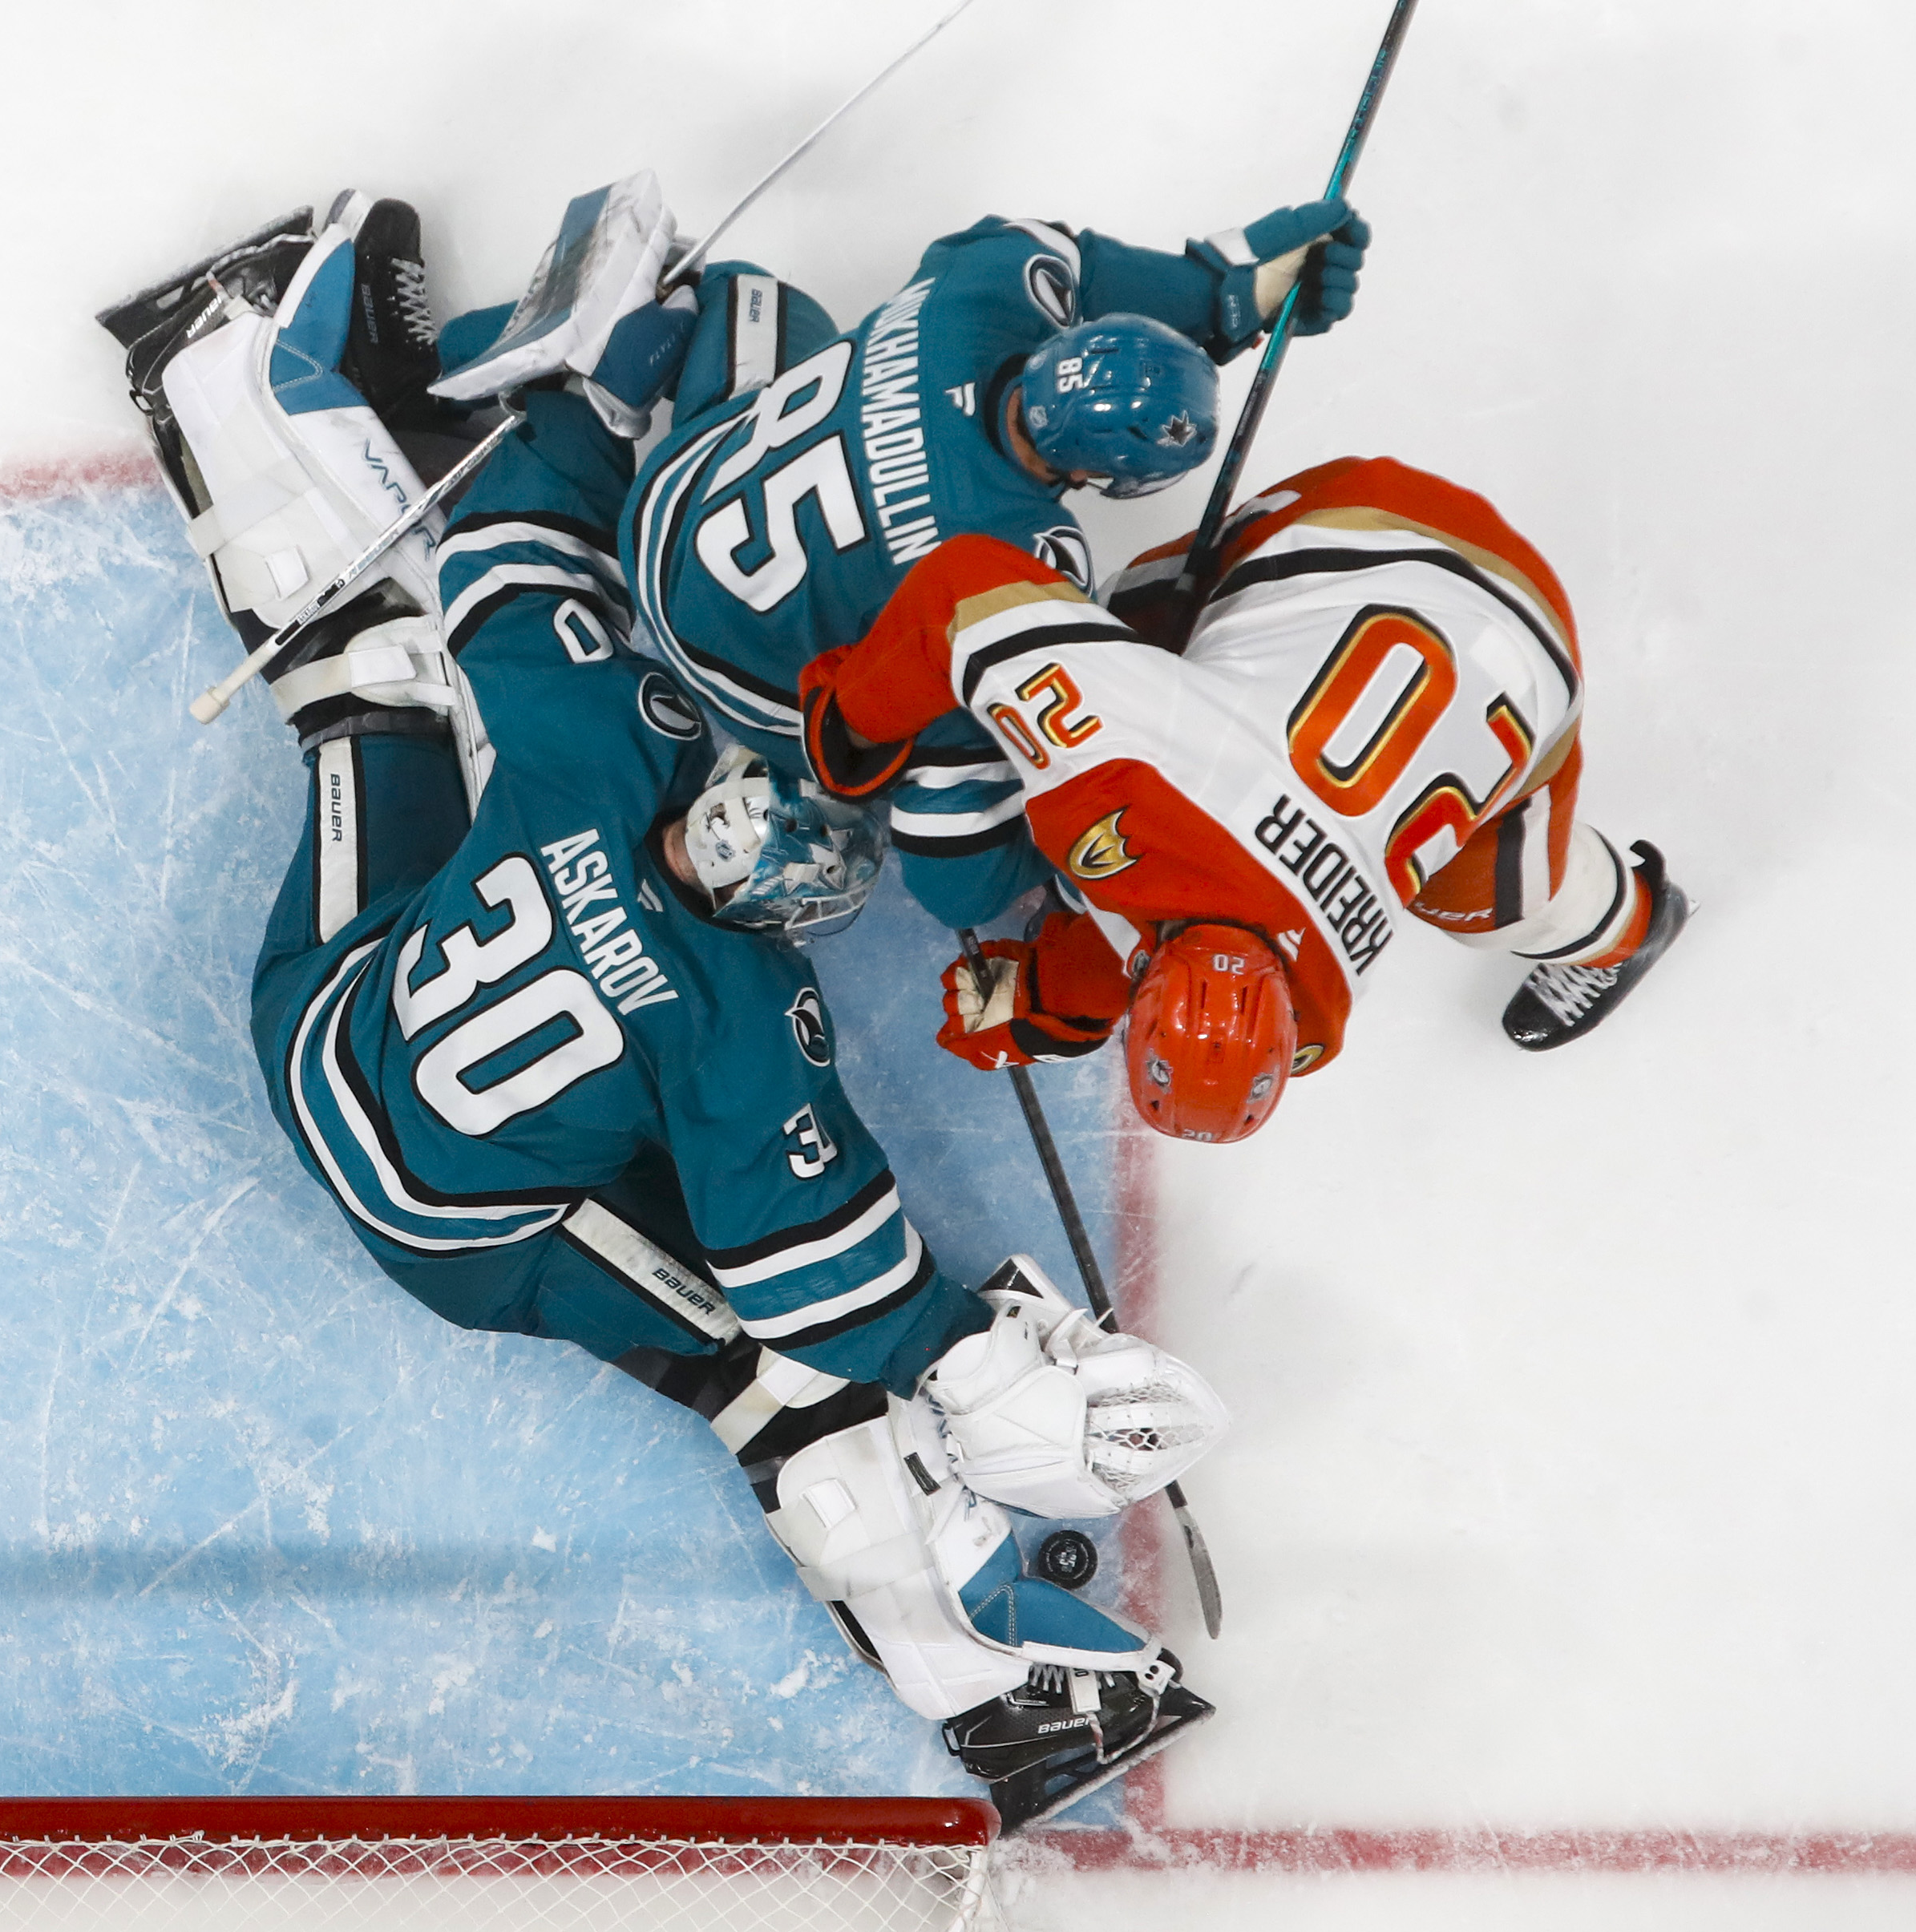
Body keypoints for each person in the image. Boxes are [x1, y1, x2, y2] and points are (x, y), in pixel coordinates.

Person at [100, 193, 1228, 1826]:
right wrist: (984, 1365)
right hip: (459, 1220)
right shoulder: (733, 1021)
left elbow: (508, 554)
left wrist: (593, 390)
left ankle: (220, 357)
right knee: (782, 1388)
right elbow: (822, 1287)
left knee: (381, 664)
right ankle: (1010, 1699)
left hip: (324, 1015)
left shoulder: (600, 748)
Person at [423, 180, 1371, 929]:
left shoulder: (988, 288)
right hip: (747, 690)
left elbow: (1076, 264)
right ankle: (739, 821)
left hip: (672, 496)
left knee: (762, 296)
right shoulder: (1022, 558)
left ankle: (607, 375)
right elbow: (953, 860)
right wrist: (1037, 871)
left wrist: (1227, 287)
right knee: (873, 792)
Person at [796, 455, 1695, 1142]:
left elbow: (1198, 916)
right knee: (1135, 619)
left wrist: (1055, 995)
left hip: (1521, 643)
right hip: (1374, 531)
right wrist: (849, 722)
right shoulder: (1125, 779)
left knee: (1495, 889)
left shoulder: (1317, 1012)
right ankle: (1627, 919)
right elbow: (964, 590)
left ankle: (1631, 916)